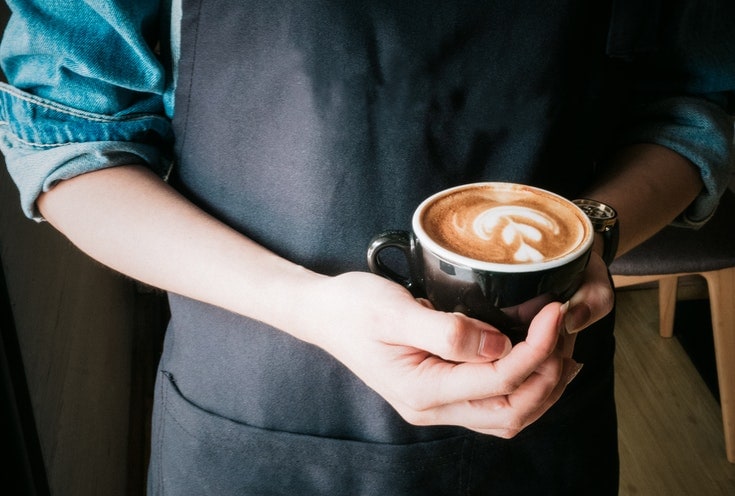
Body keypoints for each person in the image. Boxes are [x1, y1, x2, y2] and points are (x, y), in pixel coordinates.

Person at [1, 0, 733, 494]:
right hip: (251, 408)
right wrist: (304, 304)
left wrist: (592, 235)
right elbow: (72, 143)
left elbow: (694, 104)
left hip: (537, 405)